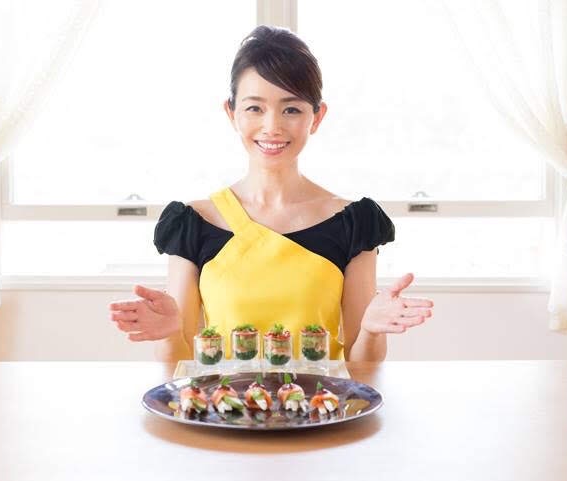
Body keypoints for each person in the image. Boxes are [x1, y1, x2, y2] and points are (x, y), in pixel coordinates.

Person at [109, 25, 433, 362]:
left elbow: (361, 367)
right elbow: (181, 364)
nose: (272, 127)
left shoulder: (354, 222)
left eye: (291, 109)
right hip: (224, 397)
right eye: (255, 108)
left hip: (319, 398)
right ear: (231, 113)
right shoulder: (191, 222)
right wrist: (169, 334)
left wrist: (371, 331)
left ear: (317, 117)